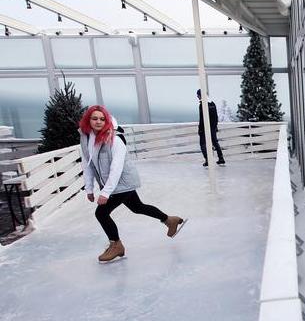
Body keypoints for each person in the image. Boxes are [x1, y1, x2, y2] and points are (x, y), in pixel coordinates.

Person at [79, 105, 186, 263]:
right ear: (88, 120)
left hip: (123, 182)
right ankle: (170, 220)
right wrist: (89, 188)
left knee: (101, 213)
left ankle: (116, 245)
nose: (98, 122)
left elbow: (116, 168)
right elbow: (87, 164)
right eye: (94, 118)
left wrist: (105, 192)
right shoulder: (87, 138)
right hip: (112, 184)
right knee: (138, 207)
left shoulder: (115, 139)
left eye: (102, 119)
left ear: (107, 120)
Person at [197, 89, 225, 167]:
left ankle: (207, 160)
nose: (197, 97)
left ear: (201, 95)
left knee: (202, 144)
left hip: (205, 128)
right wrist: (215, 127)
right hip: (212, 128)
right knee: (215, 143)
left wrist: (200, 129)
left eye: (198, 95)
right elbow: (216, 117)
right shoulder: (212, 104)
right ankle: (221, 158)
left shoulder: (202, 104)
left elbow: (202, 118)